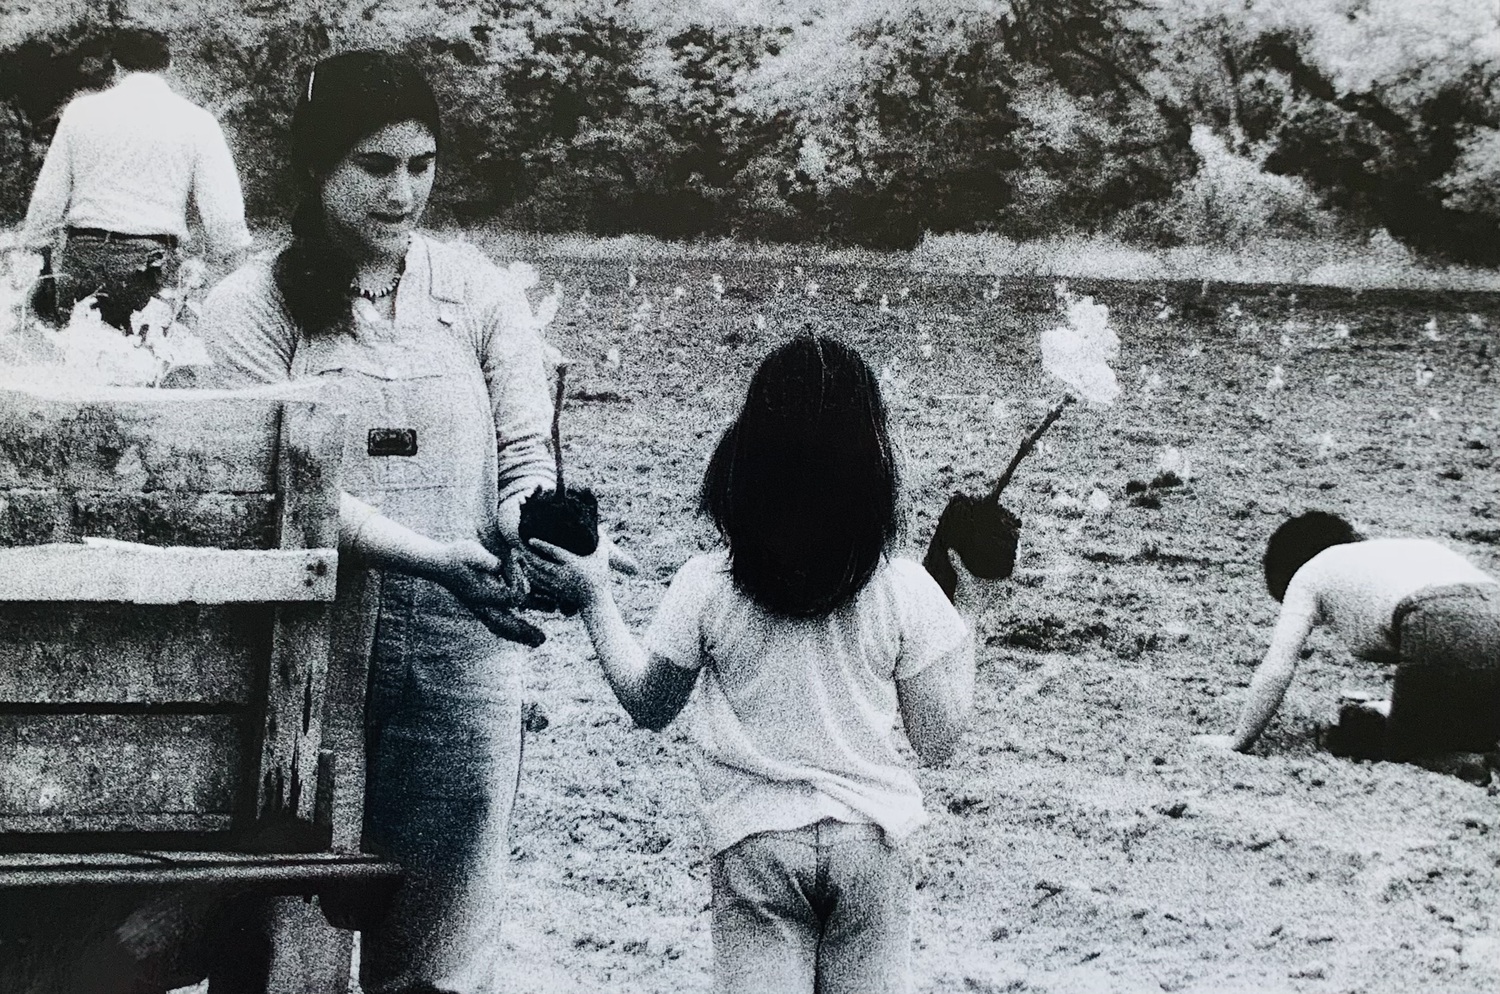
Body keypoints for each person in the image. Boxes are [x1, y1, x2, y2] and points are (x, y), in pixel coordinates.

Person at [194, 50, 574, 992]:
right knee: (292, 947)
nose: (402, 191)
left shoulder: (479, 294)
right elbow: (287, 490)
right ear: (317, 167)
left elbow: (527, 457)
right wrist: (436, 557)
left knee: (441, 952)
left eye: (420, 163)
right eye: (373, 166)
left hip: (461, 657)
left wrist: (526, 529)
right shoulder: (251, 308)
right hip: (307, 665)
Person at [526, 336, 989, 994]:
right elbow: (939, 739)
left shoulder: (708, 585)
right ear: (872, 464)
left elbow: (648, 703)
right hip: (871, 841)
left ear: (748, 455)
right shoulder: (904, 587)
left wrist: (595, 595)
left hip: (756, 842)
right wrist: (970, 612)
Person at [1195, 510, 1500, 782]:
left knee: (1406, 750)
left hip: (1436, 617)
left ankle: (1472, 764)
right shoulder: (1405, 551)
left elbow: (1278, 668)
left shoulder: (1310, 572)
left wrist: (1239, 739)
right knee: (1473, 728)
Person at [20, 25, 252, 329]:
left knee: (79, 360)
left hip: (83, 257)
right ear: (168, 65)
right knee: (145, 361)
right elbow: (224, 214)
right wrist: (238, 276)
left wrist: (40, 260)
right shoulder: (197, 121)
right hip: (150, 264)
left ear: (115, 65)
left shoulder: (80, 112)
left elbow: (49, 195)